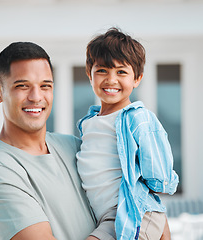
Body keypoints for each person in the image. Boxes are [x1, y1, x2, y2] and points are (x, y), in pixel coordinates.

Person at [0, 42, 111, 240]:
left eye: (45, 86)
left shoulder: (74, 147)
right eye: (22, 86)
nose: (36, 97)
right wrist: (115, 227)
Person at [76, 28, 179, 240]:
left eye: (121, 72)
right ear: (89, 74)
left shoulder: (137, 119)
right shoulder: (88, 123)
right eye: (102, 70)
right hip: (105, 217)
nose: (111, 80)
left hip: (132, 214)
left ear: (137, 78)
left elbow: (159, 176)